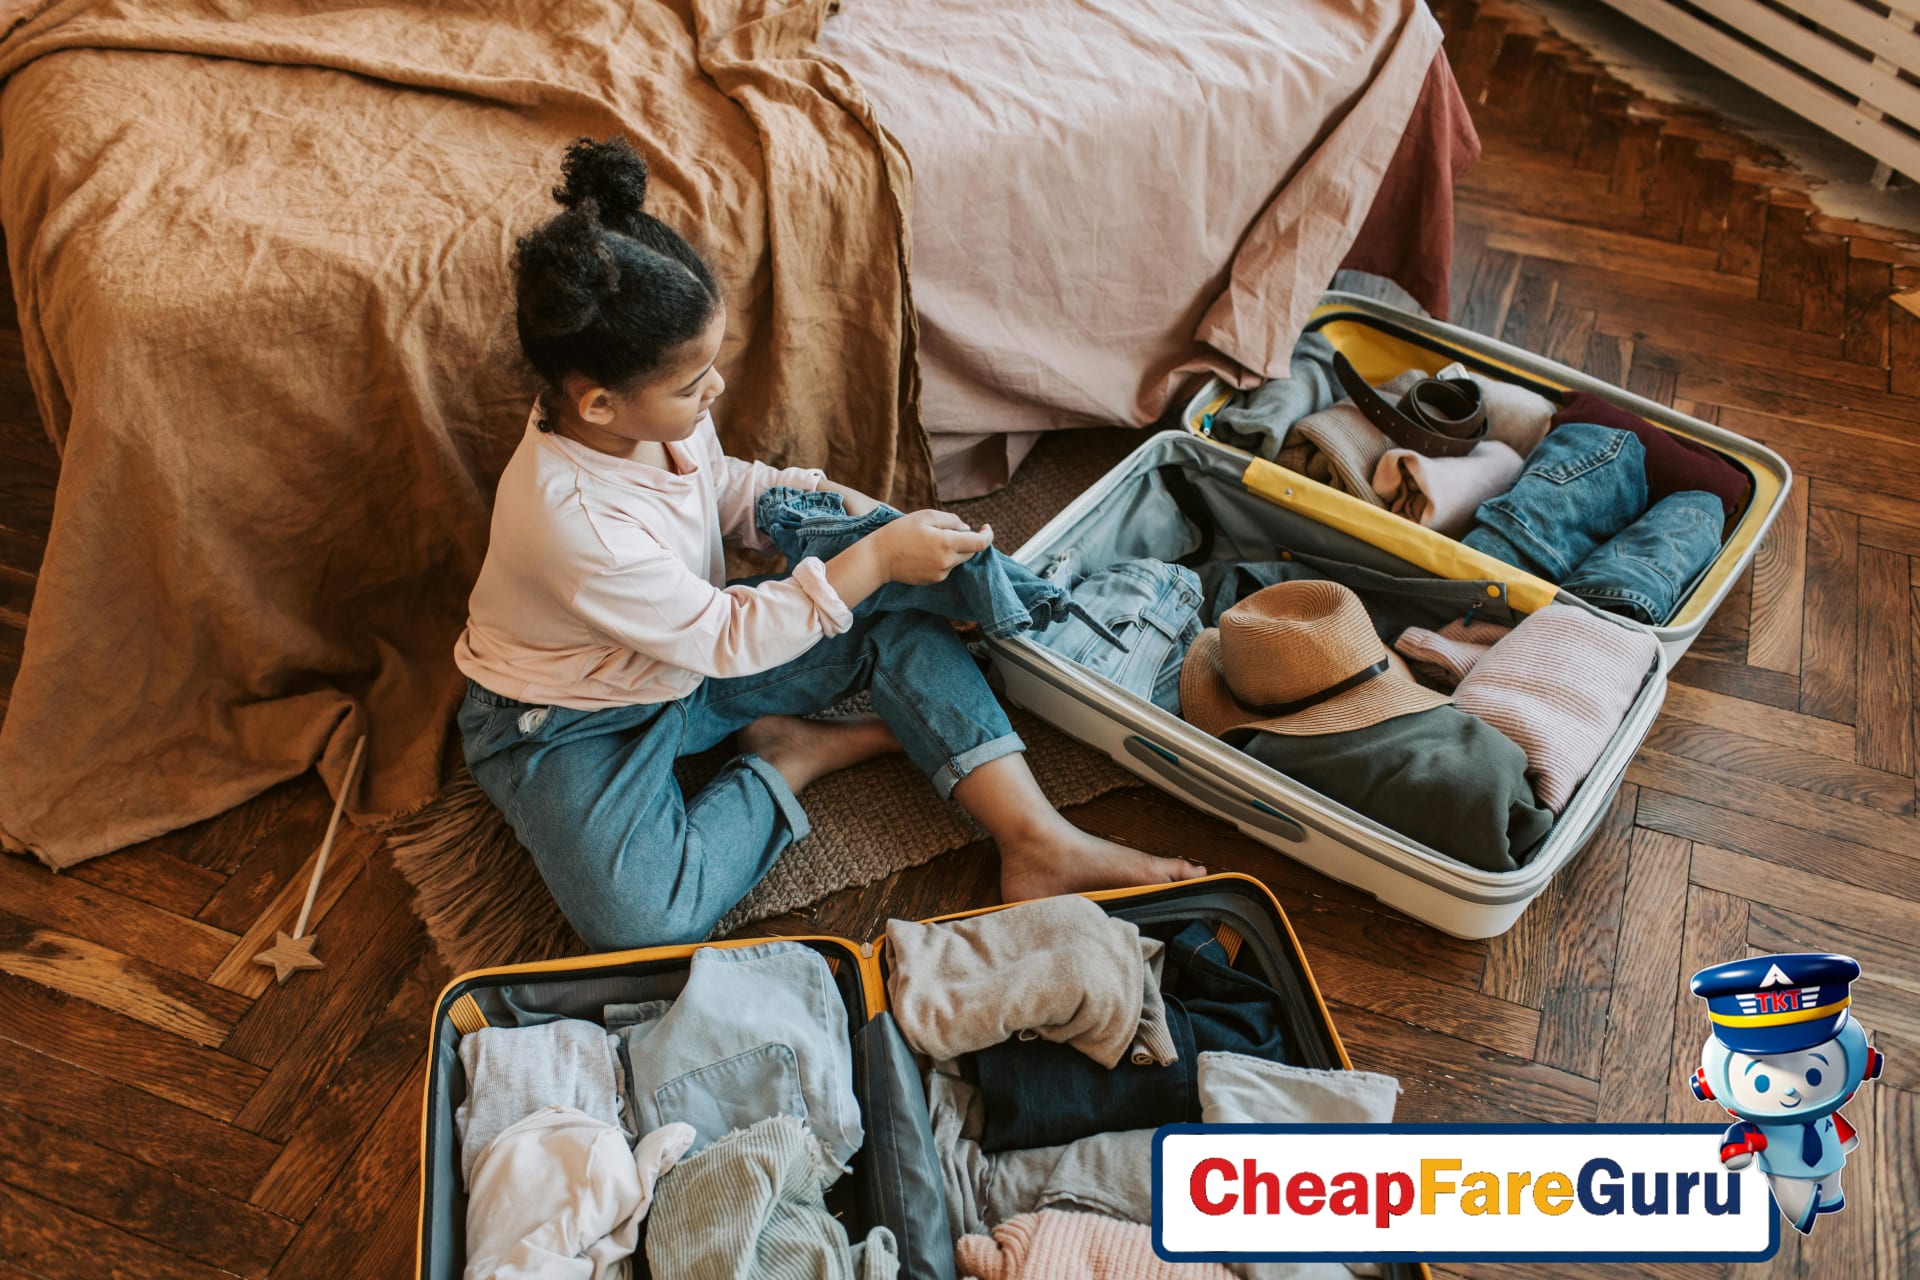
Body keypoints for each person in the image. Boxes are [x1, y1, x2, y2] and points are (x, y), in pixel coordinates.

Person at [454, 136, 1201, 949]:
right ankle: (789, 759)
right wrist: (874, 558)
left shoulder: (646, 425)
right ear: (598, 405)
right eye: (690, 384)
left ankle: (1037, 839)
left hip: (686, 663)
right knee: (639, 918)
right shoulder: (574, 522)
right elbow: (729, 635)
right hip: (573, 717)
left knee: (891, 616)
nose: (717, 389)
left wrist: (830, 515)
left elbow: (724, 488)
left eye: (714, 365)